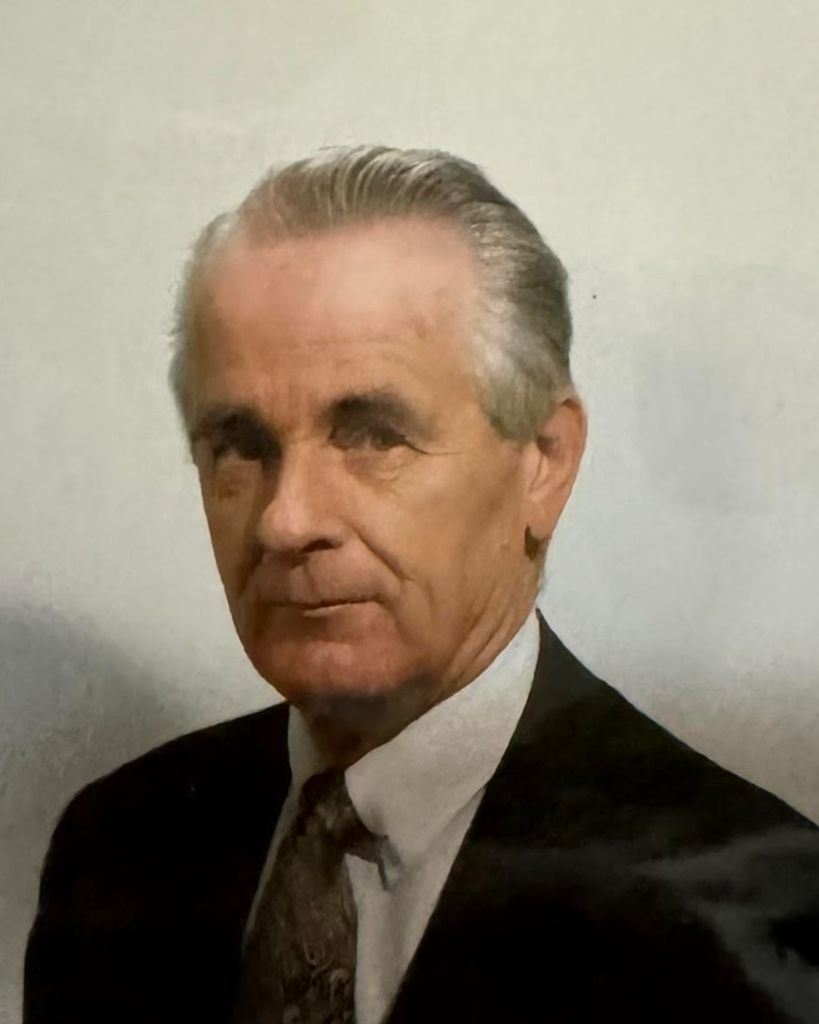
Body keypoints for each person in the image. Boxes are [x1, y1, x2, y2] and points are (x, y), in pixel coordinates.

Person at [24, 146, 819, 1024]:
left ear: (543, 462)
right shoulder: (115, 850)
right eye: (240, 447)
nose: (286, 521)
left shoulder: (748, 916)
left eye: (372, 435)